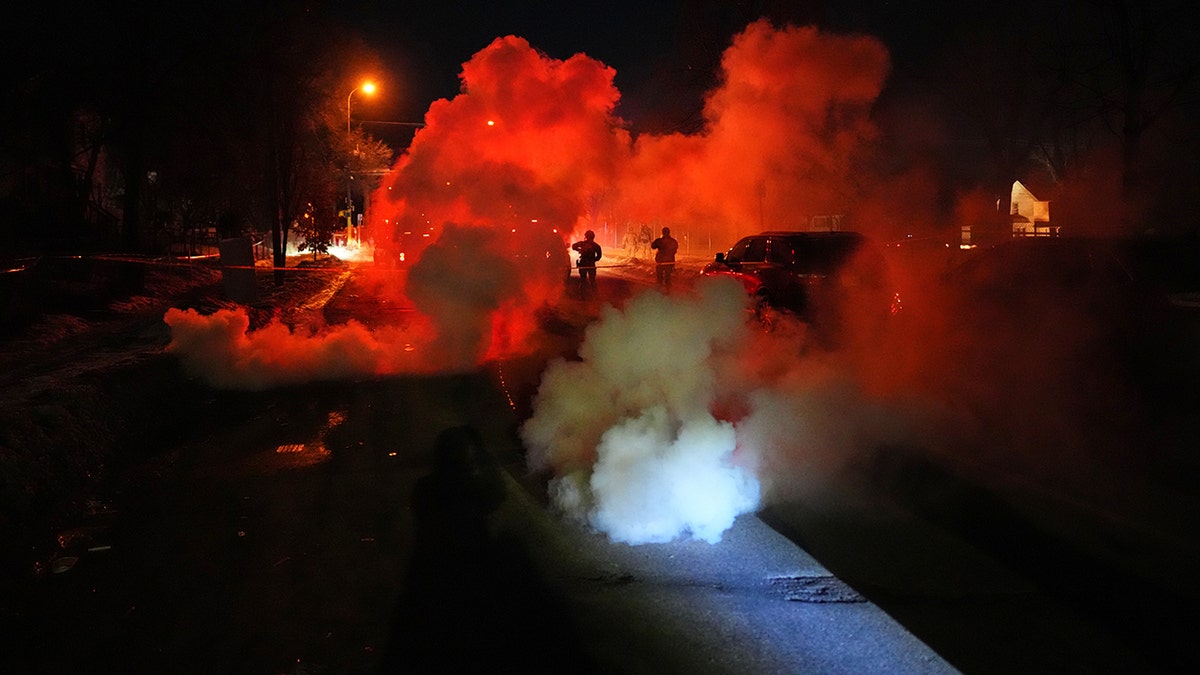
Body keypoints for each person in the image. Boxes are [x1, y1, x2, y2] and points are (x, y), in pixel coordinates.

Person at [571, 230, 602, 295]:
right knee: (592, 280)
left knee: (583, 280)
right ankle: (594, 294)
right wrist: (593, 260)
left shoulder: (583, 244)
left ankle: (583, 294)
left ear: (586, 236)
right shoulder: (595, 245)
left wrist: (579, 250)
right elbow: (599, 256)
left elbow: (573, 246)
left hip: (584, 264)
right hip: (590, 264)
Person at [650, 226, 679, 290]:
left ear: (662, 232)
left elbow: (653, 246)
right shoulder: (673, 241)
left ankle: (659, 291)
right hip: (670, 261)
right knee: (668, 277)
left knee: (659, 277)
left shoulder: (659, 241)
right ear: (669, 232)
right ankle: (668, 290)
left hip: (661, 262)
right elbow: (675, 249)